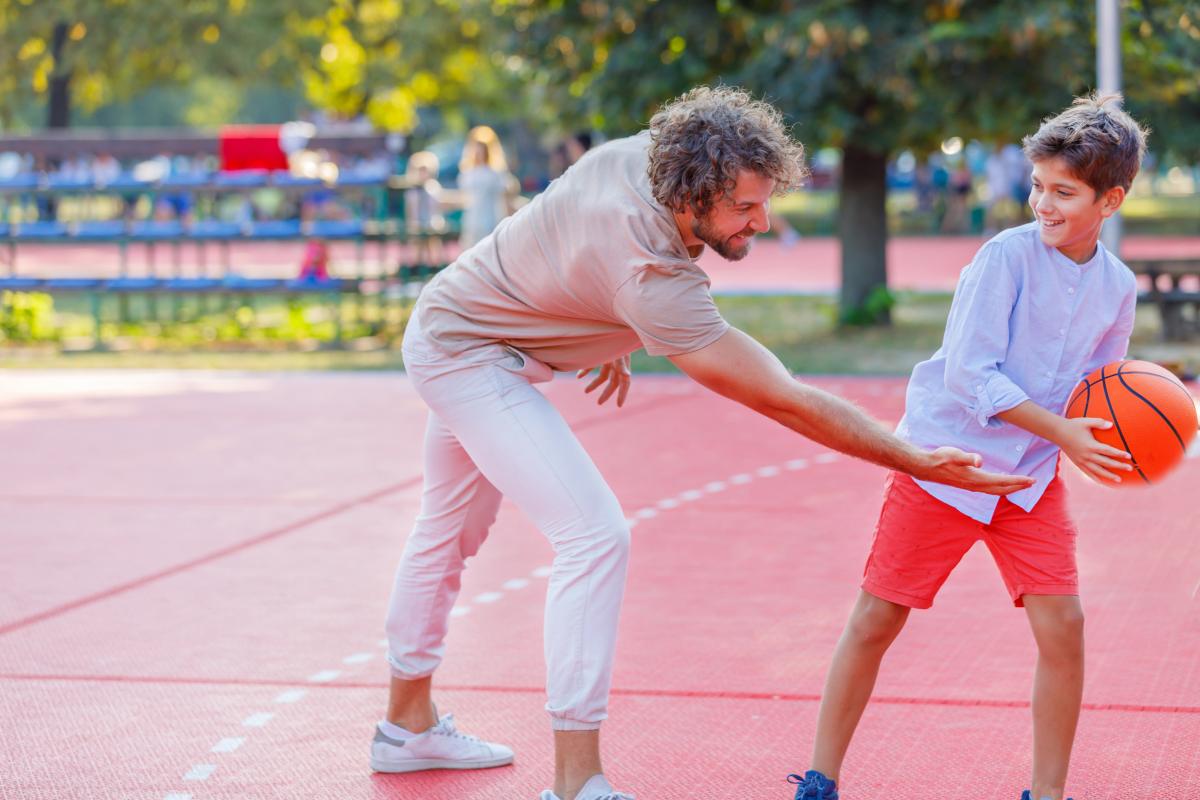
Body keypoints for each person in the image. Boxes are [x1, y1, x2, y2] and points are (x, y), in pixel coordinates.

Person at [372, 87, 1033, 800]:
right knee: (594, 536)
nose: (762, 220)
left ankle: (406, 728)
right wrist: (910, 457)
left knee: (450, 530)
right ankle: (574, 784)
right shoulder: (650, 274)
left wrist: (605, 319)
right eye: (745, 208)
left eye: (764, 201)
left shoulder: (645, 158)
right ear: (691, 197)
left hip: (459, 320)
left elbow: (572, 234)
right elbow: (784, 398)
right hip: (466, 353)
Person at [796, 92, 1147, 800]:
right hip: (943, 465)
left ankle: (1046, 792)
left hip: (1028, 481)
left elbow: (1100, 388)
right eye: (1037, 186)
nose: (1042, 204)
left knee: (1065, 626)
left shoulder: (1117, 287)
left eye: (1064, 193)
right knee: (877, 619)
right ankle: (820, 779)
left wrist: (1120, 432)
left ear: (1110, 201)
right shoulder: (1004, 259)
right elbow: (970, 374)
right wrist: (1063, 435)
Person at [455, 126, 520, 250]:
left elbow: (506, 196)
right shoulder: (468, 172)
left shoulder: (495, 173)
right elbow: (464, 198)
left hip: (490, 220)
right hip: (472, 222)